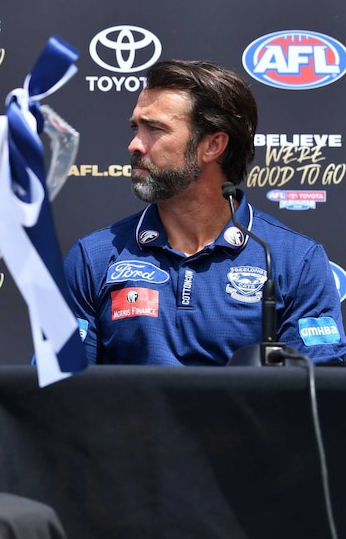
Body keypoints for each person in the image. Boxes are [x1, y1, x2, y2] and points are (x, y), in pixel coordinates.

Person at [64, 59, 346, 366]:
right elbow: (60, 394)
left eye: (154, 129)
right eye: (136, 128)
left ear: (213, 146)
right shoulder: (94, 257)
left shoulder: (293, 261)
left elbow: (317, 395)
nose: (135, 145)